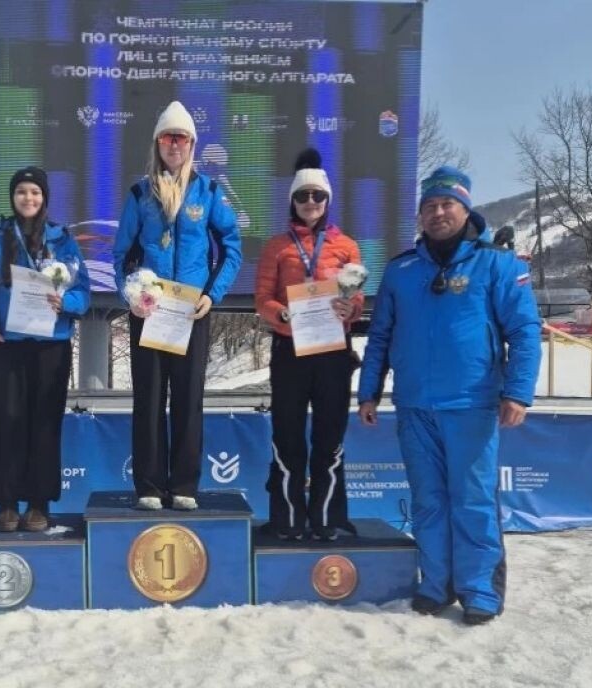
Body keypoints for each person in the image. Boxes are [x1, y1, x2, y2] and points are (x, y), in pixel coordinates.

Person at [357, 166, 541, 625]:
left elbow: (524, 332)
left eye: (447, 205)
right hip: (415, 406)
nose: (438, 213)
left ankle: (479, 589)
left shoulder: (498, 265)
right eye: (430, 206)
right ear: (420, 215)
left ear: (466, 209)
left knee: (473, 500)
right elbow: (380, 336)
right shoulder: (400, 270)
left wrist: (518, 392)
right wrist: (369, 392)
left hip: (471, 405)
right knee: (428, 500)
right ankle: (436, 583)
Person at [113, 100, 242, 511]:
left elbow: (232, 248)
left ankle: (184, 484)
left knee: (188, 399)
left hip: (190, 311)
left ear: (191, 144)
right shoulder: (140, 193)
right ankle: (150, 486)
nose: (174, 144)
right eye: (168, 137)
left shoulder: (209, 192)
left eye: (182, 138)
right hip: (149, 312)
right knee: (149, 399)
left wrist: (211, 295)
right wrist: (130, 295)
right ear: (157, 142)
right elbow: (120, 255)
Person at [0, 166, 90, 533]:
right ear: (13, 197)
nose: (28, 198)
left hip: (51, 347)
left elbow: (83, 291)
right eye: (21, 192)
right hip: (7, 346)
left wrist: (66, 304)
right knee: (6, 423)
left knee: (45, 425)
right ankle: (6, 503)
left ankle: (38, 504)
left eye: (35, 192)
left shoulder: (63, 241)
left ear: (44, 197)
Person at [255, 149, 364, 541]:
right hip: (290, 351)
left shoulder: (346, 246)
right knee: (287, 434)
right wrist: (281, 313)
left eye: (318, 195)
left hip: (333, 351)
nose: (311, 202)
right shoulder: (277, 246)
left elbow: (356, 299)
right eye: (303, 196)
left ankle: (327, 518)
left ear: (328, 200)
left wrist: (350, 308)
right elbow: (262, 298)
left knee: (330, 436)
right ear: (293, 201)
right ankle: (287, 519)